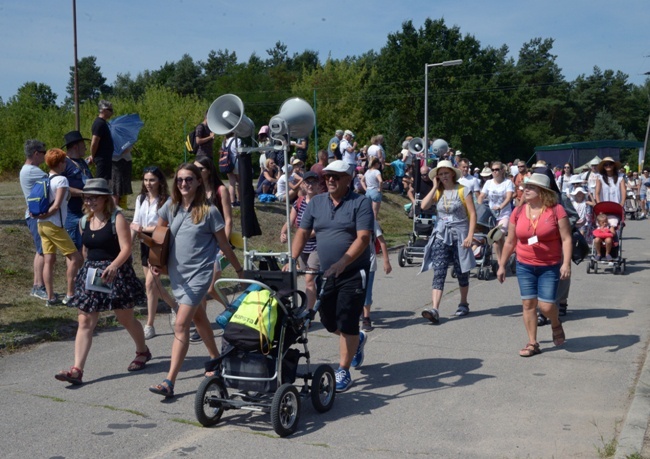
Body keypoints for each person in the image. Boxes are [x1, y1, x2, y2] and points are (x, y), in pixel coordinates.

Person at [149, 163, 243, 398]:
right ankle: (215, 360)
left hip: (200, 275)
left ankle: (169, 381)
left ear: (199, 182)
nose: (183, 184)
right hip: (177, 273)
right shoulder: (170, 207)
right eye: (180, 179)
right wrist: (156, 260)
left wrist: (240, 270)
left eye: (189, 179)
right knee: (199, 317)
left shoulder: (209, 211)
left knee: (181, 324)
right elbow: (159, 236)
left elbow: (223, 244)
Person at [286, 160, 374, 392]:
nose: (331, 180)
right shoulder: (316, 203)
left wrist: (343, 262)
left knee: (347, 320)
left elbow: (363, 238)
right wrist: (292, 259)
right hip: (327, 273)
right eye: (327, 176)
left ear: (348, 179)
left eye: (336, 176)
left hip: (354, 271)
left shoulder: (360, 203)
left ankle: (343, 370)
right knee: (327, 321)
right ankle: (357, 340)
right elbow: (303, 232)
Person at [55, 178, 148, 385]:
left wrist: (114, 266)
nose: (89, 201)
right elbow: (86, 249)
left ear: (105, 198)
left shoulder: (117, 218)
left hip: (116, 273)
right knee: (85, 320)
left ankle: (142, 351)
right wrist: (83, 270)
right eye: (87, 197)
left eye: (93, 197)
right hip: (92, 274)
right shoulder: (84, 221)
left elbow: (126, 248)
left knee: (125, 318)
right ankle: (77, 370)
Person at [496, 173, 570, 357]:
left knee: (545, 306)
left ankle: (555, 323)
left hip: (549, 265)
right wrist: (502, 265)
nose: (525, 189)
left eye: (531, 187)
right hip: (525, 264)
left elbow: (567, 239)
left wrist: (566, 263)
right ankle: (532, 342)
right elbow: (510, 241)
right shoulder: (518, 211)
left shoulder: (556, 210)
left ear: (543, 191)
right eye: (525, 187)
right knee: (528, 303)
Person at [419, 160, 477, 322]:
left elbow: (472, 214)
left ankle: (463, 303)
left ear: (452, 173)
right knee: (439, 271)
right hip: (441, 234)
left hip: (460, 234)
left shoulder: (463, 190)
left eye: (446, 173)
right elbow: (423, 206)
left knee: (461, 271)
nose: (443, 176)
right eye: (440, 174)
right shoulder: (438, 191)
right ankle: (435, 309)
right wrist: (435, 187)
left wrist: (470, 235)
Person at [130, 166, 177, 340]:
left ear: (160, 181)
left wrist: (143, 228)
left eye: (152, 180)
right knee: (154, 286)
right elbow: (135, 221)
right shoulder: (140, 198)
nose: (148, 183)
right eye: (146, 180)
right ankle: (175, 305)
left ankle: (149, 325)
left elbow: (165, 226)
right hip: (144, 243)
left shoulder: (167, 200)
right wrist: (128, 244)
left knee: (150, 284)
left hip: (158, 244)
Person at [36, 149, 83, 306]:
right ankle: (70, 294)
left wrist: (40, 217)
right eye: (64, 161)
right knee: (75, 257)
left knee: (49, 259)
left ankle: (50, 298)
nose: (65, 164)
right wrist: (45, 215)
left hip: (41, 226)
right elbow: (56, 206)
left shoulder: (46, 178)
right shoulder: (62, 180)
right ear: (60, 163)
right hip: (54, 224)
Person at [194, 156, 233, 341]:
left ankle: (233, 309)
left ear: (208, 170)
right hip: (202, 247)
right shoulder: (197, 190)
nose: (196, 172)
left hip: (219, 246)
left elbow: (228, 219)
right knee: (202, 288)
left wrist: (223, 246)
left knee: (210, 288)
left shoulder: (221, 190)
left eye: (199, 169)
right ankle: (201, 325)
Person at [280, 171, 322, 310]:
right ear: (303, 184)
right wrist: (283, 232)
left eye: (313, 182)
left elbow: (321, 226)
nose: (310, 185)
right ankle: (321, 293)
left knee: (309, 280)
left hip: (317, 246)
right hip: (302, 247)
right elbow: (290, 220)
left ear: (318, 185)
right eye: (308, 182)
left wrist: (305, 234)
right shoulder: (298, 202)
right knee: (308, 277)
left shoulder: (322, 202)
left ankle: (308, 314)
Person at [19, 139, 48, 299]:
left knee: (40, 251)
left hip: (33, 215)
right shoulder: (32, 170)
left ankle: (37, 285)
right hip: (36, 216)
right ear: (36, 153)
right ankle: (39, 286)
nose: (44, 156)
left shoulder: (27, 169)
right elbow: (54, 179)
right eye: (43, 153)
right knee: (42, 252)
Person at [61, 130, 93, 251]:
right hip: (72, 213)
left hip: (87, 211)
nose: (85, 148)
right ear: (75, 146)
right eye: (83, 145)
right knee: (74, 251)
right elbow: (62, 187)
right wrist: (83, 193)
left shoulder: (81, 162)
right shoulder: (64, 163)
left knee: (86, 248)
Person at [478, 161, 515, 263]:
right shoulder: (488, 183)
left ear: (502, 170)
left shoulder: (507, 183)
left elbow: (508, 197)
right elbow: (481, 196)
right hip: (491, 214)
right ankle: (503, 258)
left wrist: (500, 206)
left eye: (497, 169)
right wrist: (479, 206)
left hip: (504, 214)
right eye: (493, 170)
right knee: (498, 239)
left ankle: (500, 262)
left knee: (496, 237)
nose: (495, 172)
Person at [362, 221, 392, 332]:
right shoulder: (347, 216)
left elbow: (382, 241)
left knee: (367, 291)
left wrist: (386, 261)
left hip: (369, 262)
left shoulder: (371, 221)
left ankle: (366, 318)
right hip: (350, 263)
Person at [90, 100, 114, 182]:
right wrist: (93, 156)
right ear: (103, 110)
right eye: (110, 110)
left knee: (105, 182)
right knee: (101, 183)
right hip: (101, 159)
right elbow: (94, 142)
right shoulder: (99, 123)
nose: (112, 112)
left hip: (106, 159)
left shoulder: (103, 123)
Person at [221, 132, 241, 206]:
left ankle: (232, 201)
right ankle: (239, 200)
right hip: (236, 162)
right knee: (239, 182)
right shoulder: (237, 140)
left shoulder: (224, 142)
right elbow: (239, 151)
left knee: (231, 183)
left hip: (227, 162)